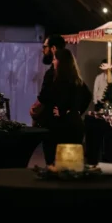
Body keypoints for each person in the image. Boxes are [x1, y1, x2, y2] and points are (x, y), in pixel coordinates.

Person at [47, 48, 92, 162]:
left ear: (61, 62)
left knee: (61, 162)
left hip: (64, 126)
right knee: (73, 162)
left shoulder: (60, 81)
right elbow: (87, 96)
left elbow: (59, 100)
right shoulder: (77, 80)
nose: (53, 62)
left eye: (55, 59)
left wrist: (65, 112)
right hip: (75, 124)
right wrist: (76, 112)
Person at [31, 34, 65, 164]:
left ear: (53, 48)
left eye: (45, 46)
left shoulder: (54, 72)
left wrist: (34, 109)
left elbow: (45, 96)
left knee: (52, 162)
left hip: (53, 125)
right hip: (63, 124)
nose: (42, 50)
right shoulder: (70, 71)